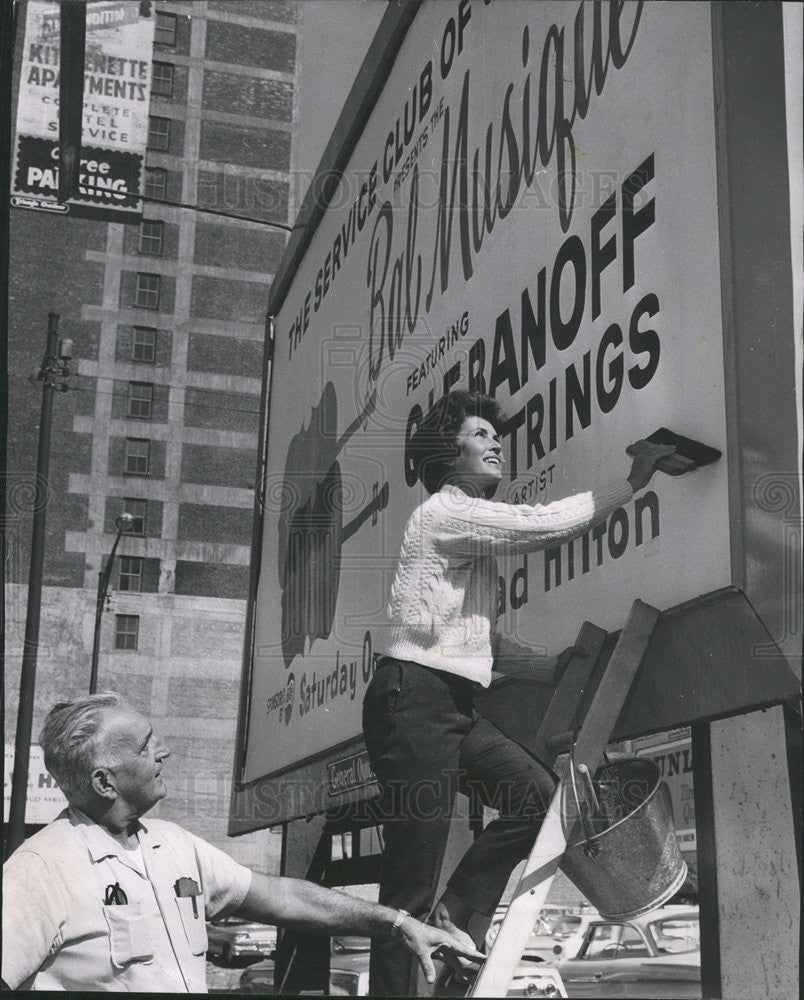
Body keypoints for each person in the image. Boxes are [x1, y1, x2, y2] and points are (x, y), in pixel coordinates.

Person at [362, 390, 676, 995]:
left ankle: (452, 912)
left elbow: (479, 641)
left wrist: (548, 666)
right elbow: (543, 524)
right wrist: (632, 482)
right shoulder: (445, 512)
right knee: (408, 886)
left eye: (494, 435)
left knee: (538, 801)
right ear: (447, 454)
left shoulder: (462, 533)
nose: (496, 443)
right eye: (481, 435)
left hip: (450, 702)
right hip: (414, 700)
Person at [1, 693, 481, 992]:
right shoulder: (41, 869)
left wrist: (398, 922)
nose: (163, 751)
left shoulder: (174, 846)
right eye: (146, 746)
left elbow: (283, 897)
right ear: (105, 783)